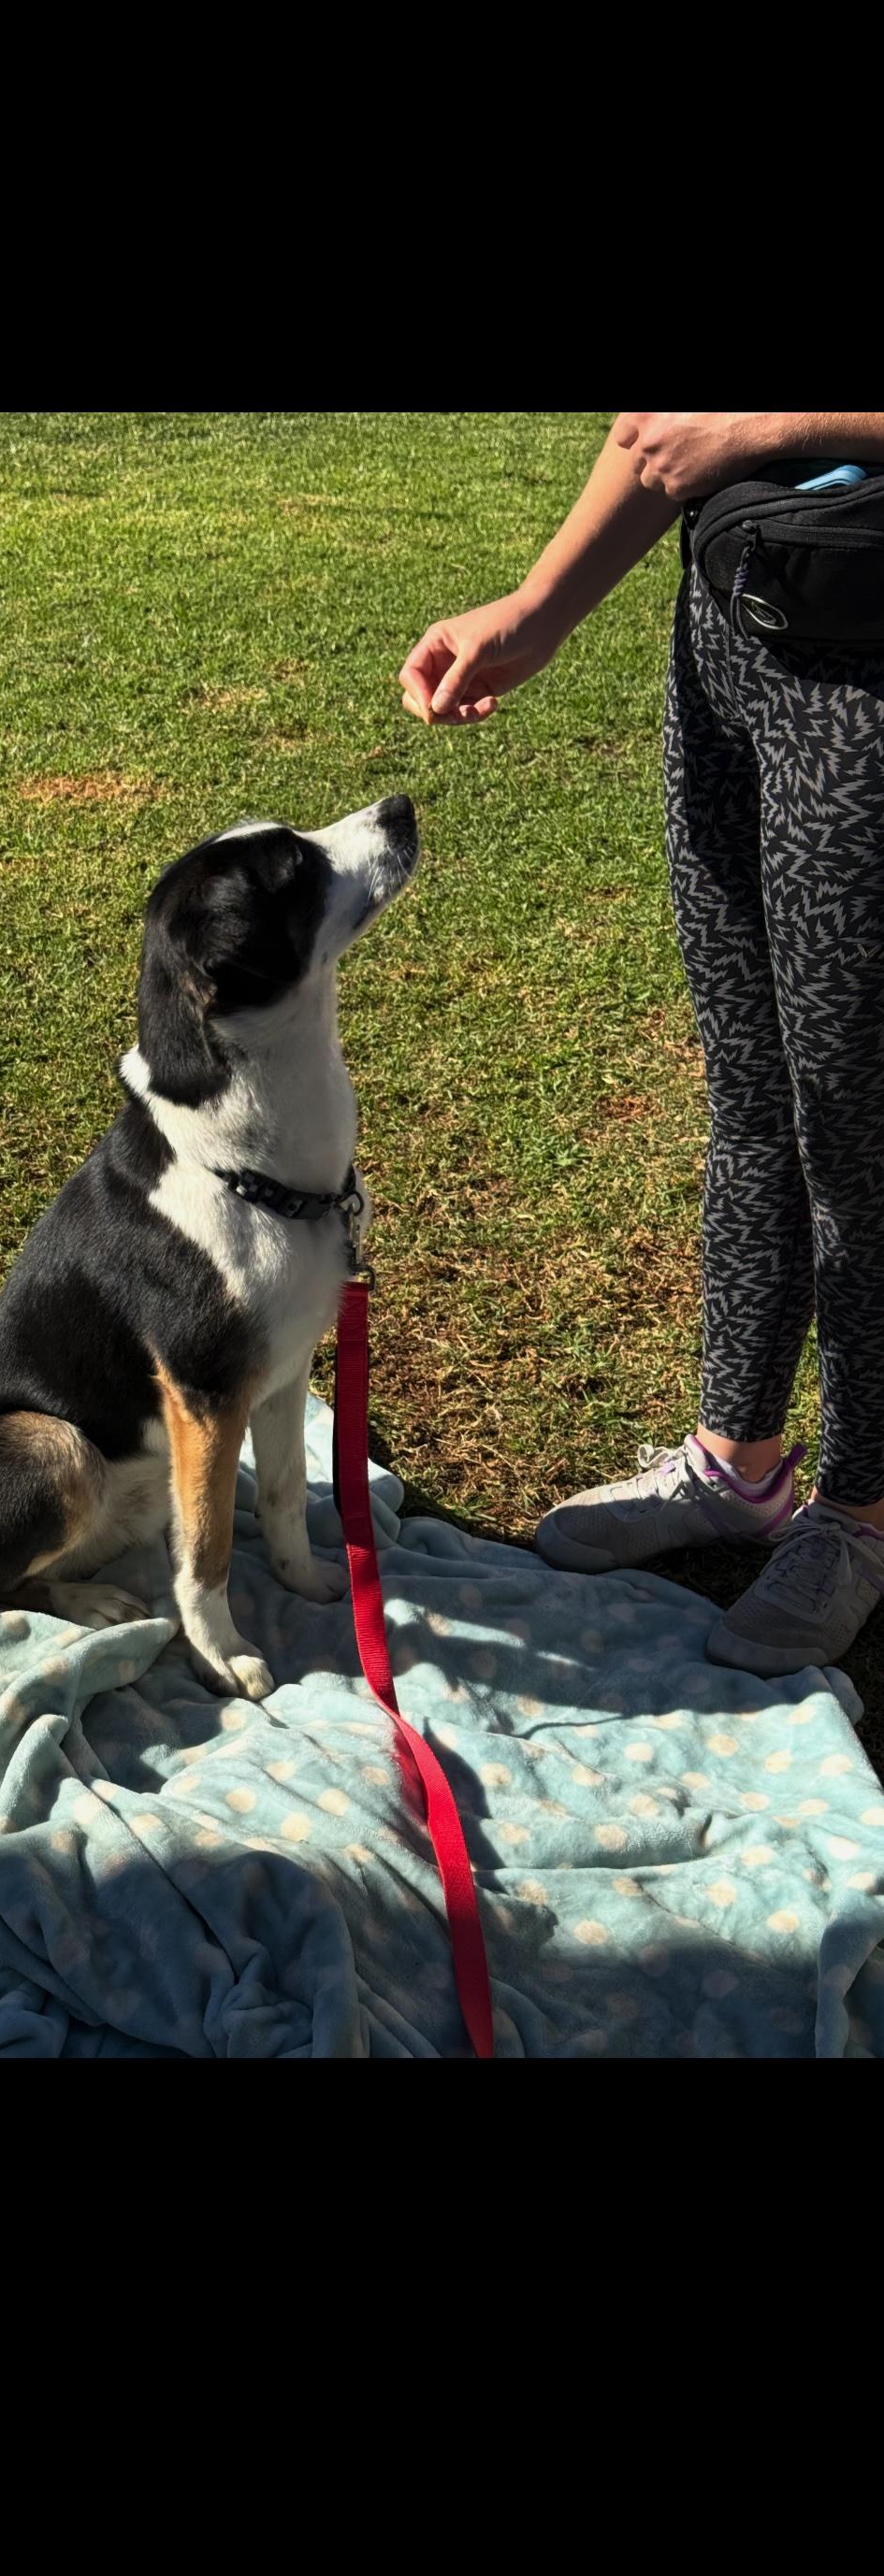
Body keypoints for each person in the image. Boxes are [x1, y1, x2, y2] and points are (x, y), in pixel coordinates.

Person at [399, 410, 884, 1677]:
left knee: (859, 1131)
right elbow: (664, 429)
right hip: (735, 646)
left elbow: (721, 425)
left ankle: (864, 1514)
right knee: (753, 1098)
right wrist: (539, 609)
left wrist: (780, 425)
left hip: (872, 685)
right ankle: (737, 1466)